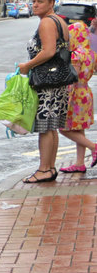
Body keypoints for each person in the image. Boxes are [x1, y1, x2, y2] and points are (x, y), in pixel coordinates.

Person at [18, 0, 70, 183]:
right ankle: (49, 168)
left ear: (51, 2)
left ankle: (43, 169)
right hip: (59, 80)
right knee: (51, 127)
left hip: (48, 81)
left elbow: (48, 51)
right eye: (34, 1)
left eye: (40, 1)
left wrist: (27, 65)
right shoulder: (60, 21)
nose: (35, 5)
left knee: (45, 126)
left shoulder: (47, 23)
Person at [59, 22, 97, 172]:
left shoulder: (75, 55)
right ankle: (80, 163)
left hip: (75, 95)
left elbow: (72, 79)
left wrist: (65, 99)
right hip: (86, 93)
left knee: (64, 128)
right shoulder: (91, 54)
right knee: (79, 129)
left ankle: (94, 147)